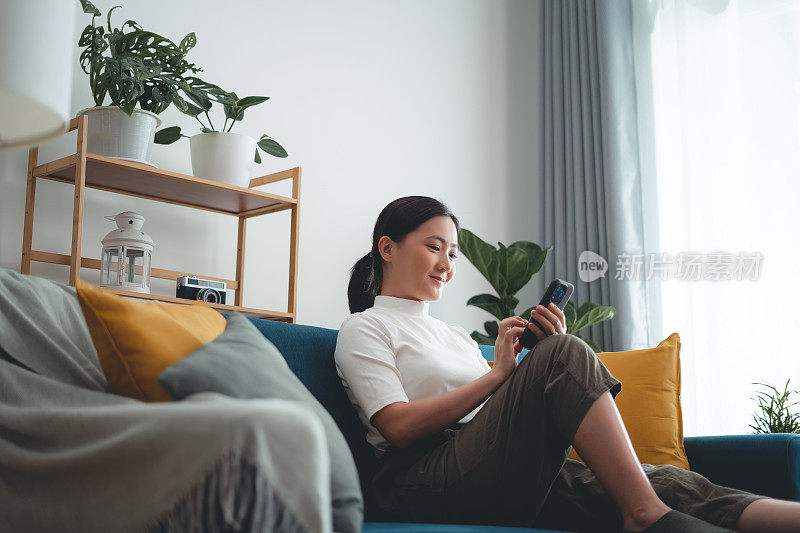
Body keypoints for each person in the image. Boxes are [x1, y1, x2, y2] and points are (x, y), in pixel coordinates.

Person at [334, 195, 800, 532]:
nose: (447, 264)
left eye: (453, 253)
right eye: (434, 247)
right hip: (419, 479)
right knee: (566, 355)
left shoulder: (454, 335)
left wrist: (526, 367)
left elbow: (499, 418)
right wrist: (502, 374)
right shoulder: (365, 328)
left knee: (669, 482)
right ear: (388, 247)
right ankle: (644, 516)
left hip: (497, 468)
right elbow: (396, 427)